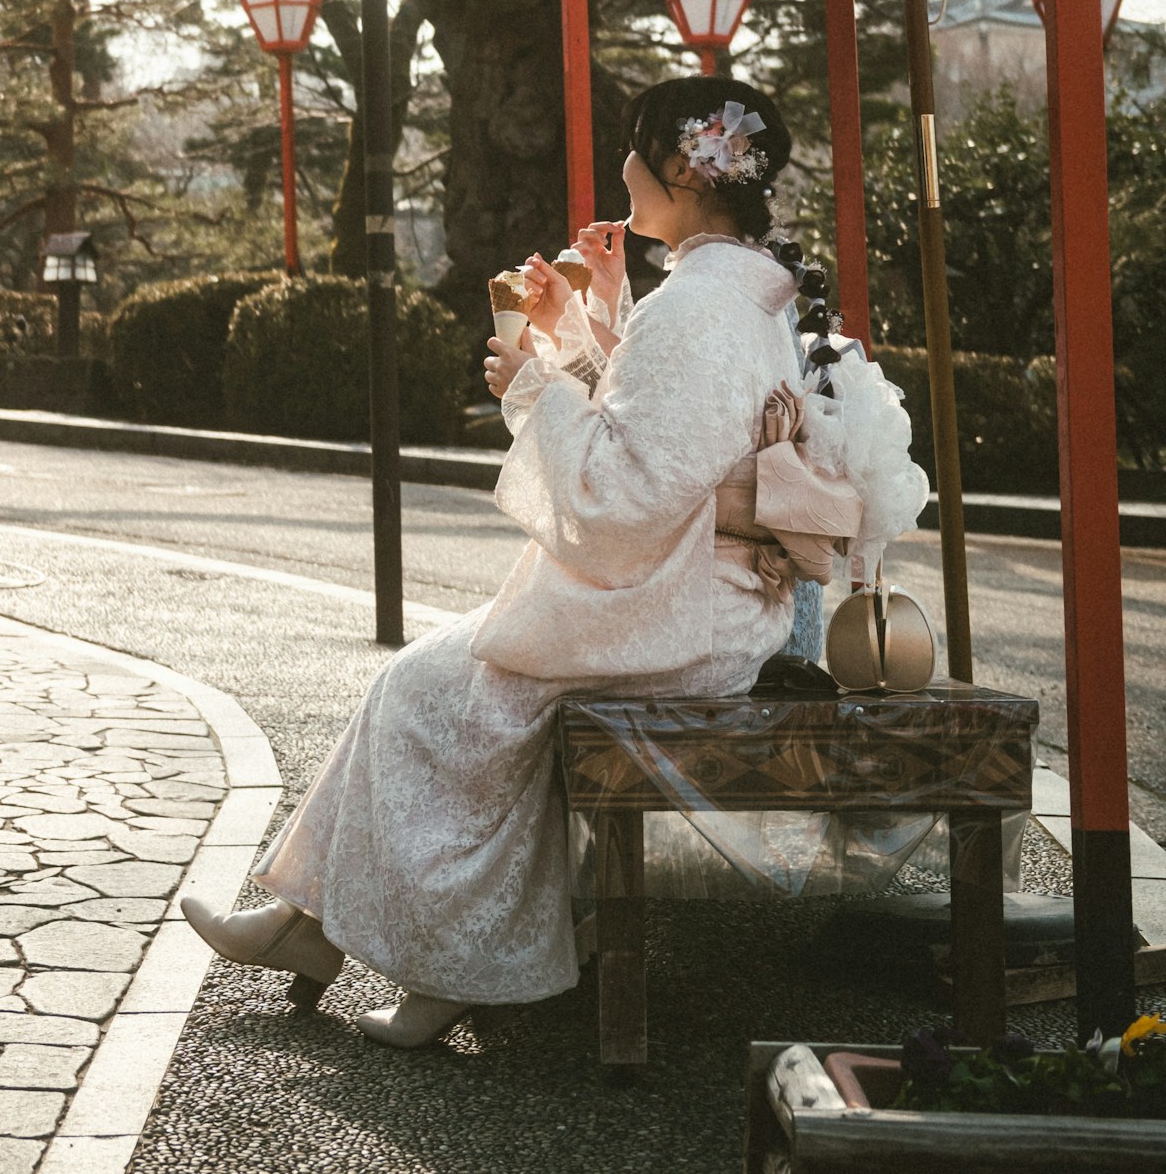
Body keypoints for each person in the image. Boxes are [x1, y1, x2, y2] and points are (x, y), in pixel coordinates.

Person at [181, 76, 926, 1048]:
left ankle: (439, 961)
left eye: (634, 153)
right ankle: (309, 928)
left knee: (427, 692)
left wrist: (533, 383)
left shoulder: (699, 307)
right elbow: (666, 442)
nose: (621, 171)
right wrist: (595, 331)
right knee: (446, 686)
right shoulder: (749, 296)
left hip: (679, 615)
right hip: (715, 602)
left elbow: (624, 497)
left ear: (683, 174)